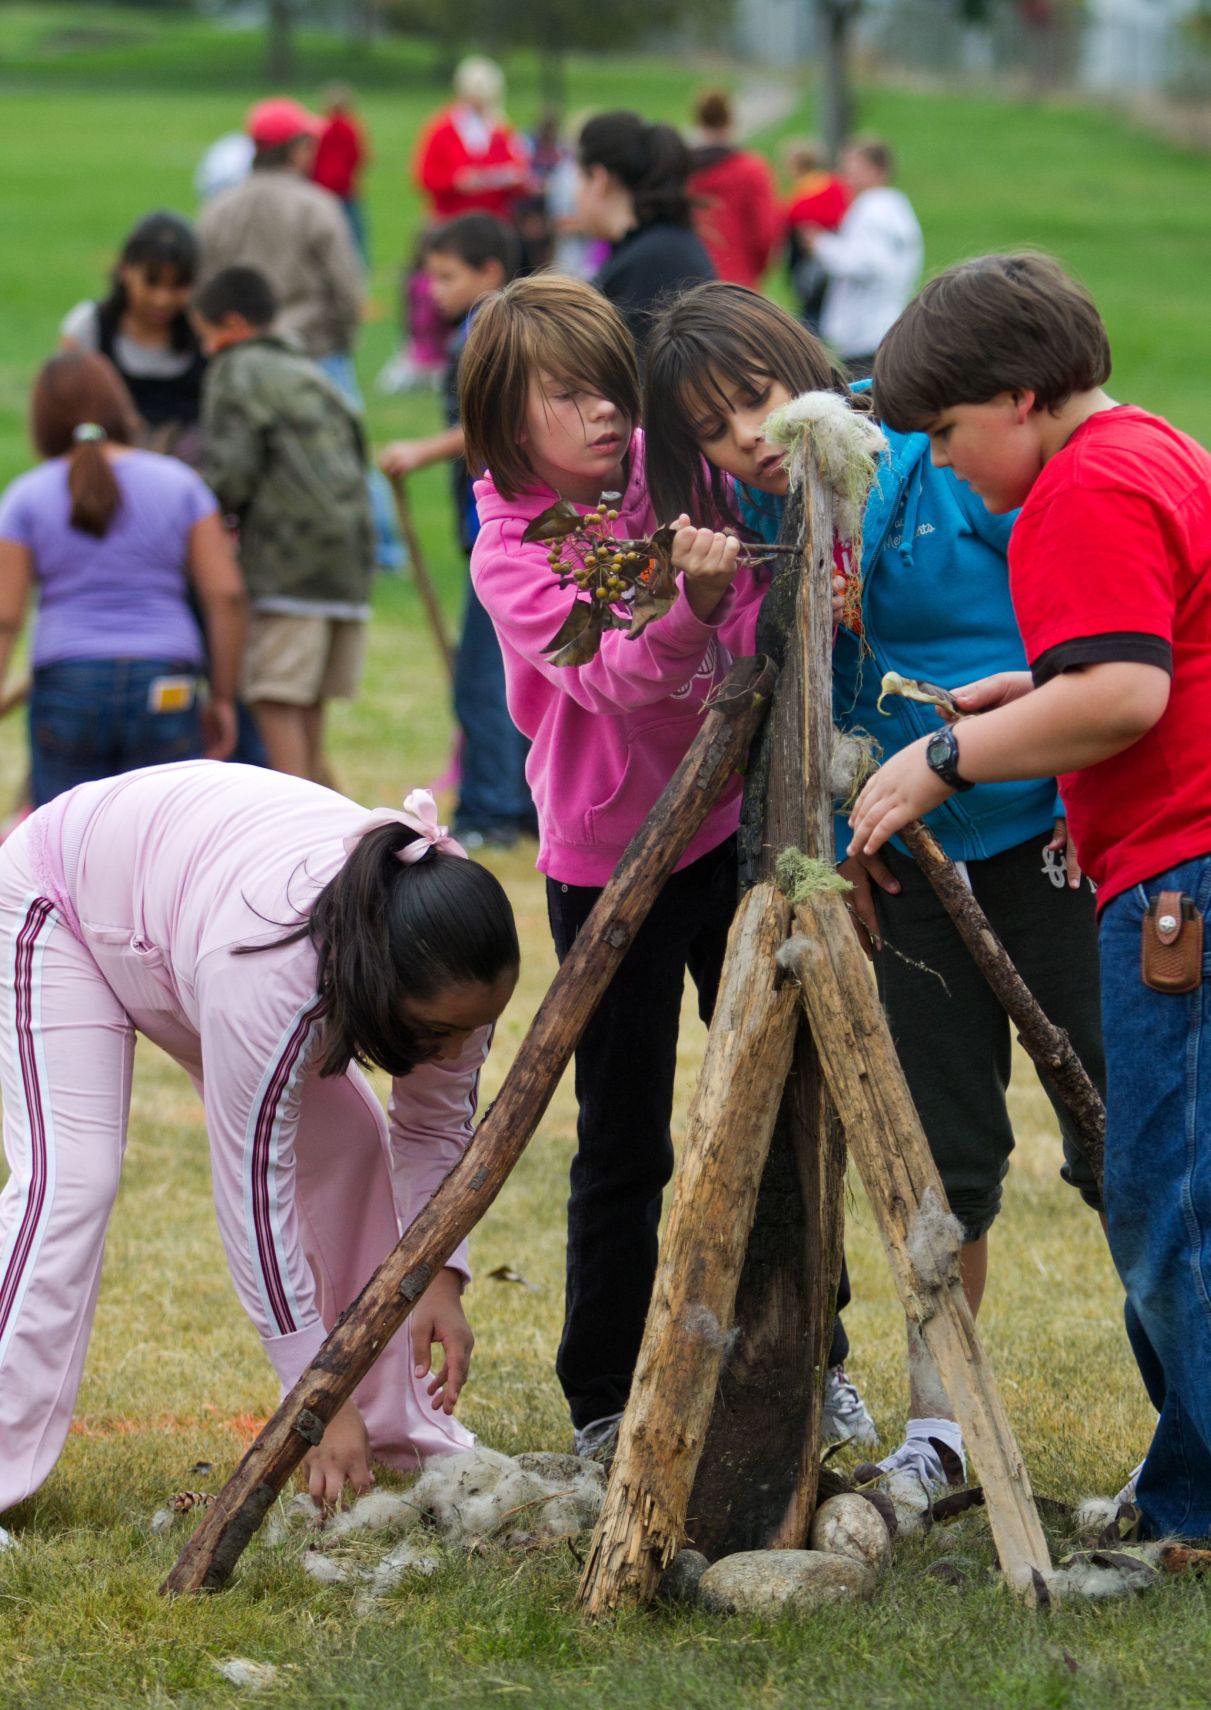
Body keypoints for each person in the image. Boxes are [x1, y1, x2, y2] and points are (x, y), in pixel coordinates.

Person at [644, 280, 1109, 1487]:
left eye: (755, 398)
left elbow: (1086, 644)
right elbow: (804, 704)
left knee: (1123, 1136)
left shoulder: (945, 462)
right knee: (935, 1159)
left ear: (808, 367)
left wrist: (1015, 773)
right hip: (903, 870)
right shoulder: (775, 533)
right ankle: (940, 1427)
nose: (746, 438)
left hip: (1052, 838)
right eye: (711, 429)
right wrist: (841, 841)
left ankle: (1191, 1420)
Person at [459, 273, 861, 1459]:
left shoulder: (666, 469)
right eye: (569, 397)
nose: (605, 418)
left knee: (778, 1098)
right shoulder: (512, 554)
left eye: (612, 393)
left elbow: (754, 606)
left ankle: (811, 1357)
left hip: (735, 823)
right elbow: (616, 684)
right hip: (610, 859)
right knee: (623, 1134)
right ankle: (600, 1395)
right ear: (501, 419)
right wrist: (688, 605)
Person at [848, 252, 1211, 1540]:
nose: (937, 466)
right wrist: (1020, 699)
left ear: (1014, 399)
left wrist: (941, 759)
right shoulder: (1150, 446)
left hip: (1178, 876)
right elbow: (1127, 658)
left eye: (943, 435)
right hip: (1177, 865)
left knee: (1165, 1209)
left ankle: (1194, 1512)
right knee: (1169, 1192)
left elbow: (1123, 698)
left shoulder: (1077, 490)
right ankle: (1186, 1493)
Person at [0, 761, 519, 1537]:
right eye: (437, 1032)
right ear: (376, 982)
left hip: (182, 922)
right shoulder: (271, 976)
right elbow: (254, 1198)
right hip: (66, 905)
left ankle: (393, 1436)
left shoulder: (447, 937)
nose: (454, 1049)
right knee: (73, 1181)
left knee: (350, 1145)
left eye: (469, 1031)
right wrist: (313, 1401)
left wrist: (441, 1273)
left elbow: (434, 1131)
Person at [0, 352, 244, 808]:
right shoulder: (181, 485)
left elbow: (5, 617)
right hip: (165, 681)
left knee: (67, 848)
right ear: (119, 405)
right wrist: (224, 697)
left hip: (67, 684)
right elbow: (226, 594)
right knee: (161, 838)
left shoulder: (25, 497)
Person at [196, 97, 402, 572]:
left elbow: (204, 286)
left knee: (247, 456)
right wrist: (342, 339)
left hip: (241, 355)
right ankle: (381, 549)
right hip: (314, 351)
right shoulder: (317, 205)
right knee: (345, 451)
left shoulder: (218, 209)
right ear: (295, 149)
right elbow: (346, 288)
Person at [379, 215, 533, 850]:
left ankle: (491, 807)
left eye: (447, 276)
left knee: (483, 675)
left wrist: (419, 451)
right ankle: (515, 796)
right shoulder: (488, 331)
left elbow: (492, 422)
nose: (432, 289)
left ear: (489, 274)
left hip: (500, 526)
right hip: (495, 525)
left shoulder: (489, 335)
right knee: (507, 669)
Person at [193, 266, 373, 786]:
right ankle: (332, 820)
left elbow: (232, 474)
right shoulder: (310, 370)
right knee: (307, 700)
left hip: (287, 562)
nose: (206, 350)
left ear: (230, 326)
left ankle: (301, 820)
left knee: (273, 693)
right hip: (347, 563)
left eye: (206, 336)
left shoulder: (236, 368)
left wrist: (197, 508)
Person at [59, 211, 207, 454]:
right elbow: (64, 414)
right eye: (152, 282)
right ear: (126, 271)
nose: (163, 299)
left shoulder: (204, 331)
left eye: (178, 286)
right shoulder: (89, 327)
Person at [576, 111, 715, 355]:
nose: (575, 194)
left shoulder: (650, 262)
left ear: (598, 179)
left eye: (578, 177)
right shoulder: (660, 246)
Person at [796, 138, 923, 379]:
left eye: (853, 168)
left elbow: (865, 263)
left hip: (864, 329)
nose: (845, 176)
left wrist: (820, 244)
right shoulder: (897, 207)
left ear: (877, 170)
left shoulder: (870, 208)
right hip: (888, 319)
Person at [413, 56, 531, 224]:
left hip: (493, 220)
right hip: (452, 219)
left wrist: (505, 177)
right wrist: (455, 181)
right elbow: (425, 176)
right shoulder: (443, 128)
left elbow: (520, 171)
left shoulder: (500, 128)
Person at [686, 89, 780, 290]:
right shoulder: (751, 169)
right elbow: (765, 232)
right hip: (738, 281)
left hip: (688, 280)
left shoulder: (681, 169)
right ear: (730, 121)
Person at [781, 140, 851, 335]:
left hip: (810, 261)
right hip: (833, 257)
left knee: (810, 316)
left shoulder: (804, 193)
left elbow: (789, 219)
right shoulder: (834, 185)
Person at [312, 83, 371, 263]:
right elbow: (360, 156)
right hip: (345, 190)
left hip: (322, 189)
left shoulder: (320, 128)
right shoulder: (353, 128)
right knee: (355, 238)